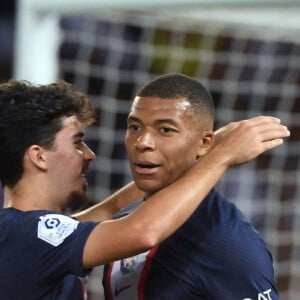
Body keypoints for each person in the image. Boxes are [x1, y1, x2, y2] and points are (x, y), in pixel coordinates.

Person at [0, 80, 289, 300]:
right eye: (77, 143)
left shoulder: (230, 243)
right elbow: (141, 231)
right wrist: (220, 157)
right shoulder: (24, 236)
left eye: (165, 129)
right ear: (39, 156)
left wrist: (199, 156)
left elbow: (108, 211)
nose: (89, 154)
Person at [102, 73, 285, 300]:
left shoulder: (229, 245)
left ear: (205, 142)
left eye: (166, 130)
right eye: (135, 127)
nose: (143, 142)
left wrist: (219, 156)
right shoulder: (125, 220)